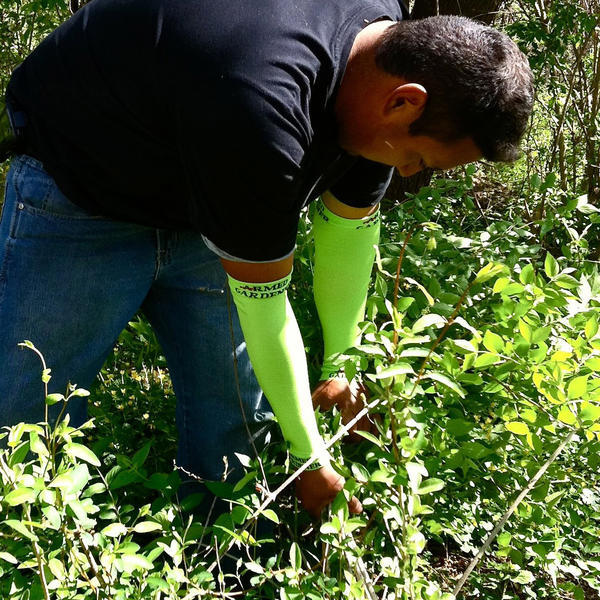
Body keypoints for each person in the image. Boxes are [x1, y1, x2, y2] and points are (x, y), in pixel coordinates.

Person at [0, 0, 533, 517]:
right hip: (80, 189)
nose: (412, 173)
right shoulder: (258, 102)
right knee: (26, 417)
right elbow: (265, 306)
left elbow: (348, 230)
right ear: (403, 103)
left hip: (205, 185)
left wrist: (343, 366)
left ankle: (219, 558)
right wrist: (308, 457)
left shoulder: (382, 56)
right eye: (418, 159)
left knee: (234, 422)